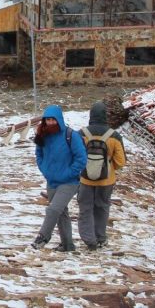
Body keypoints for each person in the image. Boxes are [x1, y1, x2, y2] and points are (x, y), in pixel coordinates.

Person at [32, 105, 87, 252]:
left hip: (70, 181)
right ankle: (68, 245)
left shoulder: (71, 135)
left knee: (53, 210)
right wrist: (45, 170)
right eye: (48, 120)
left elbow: (81, 158)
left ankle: (43, 237)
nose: (50, 123)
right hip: (51, 181)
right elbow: (39, 154)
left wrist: (69, 173)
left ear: (59, 119)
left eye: (53, 120)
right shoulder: (42, 135)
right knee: (61, 213)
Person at [77, 101, 126, 250]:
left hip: (85, 179)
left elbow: (76, 156)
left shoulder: (82, 134)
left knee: (85, 208)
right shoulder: (114, 136)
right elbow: (121, 162)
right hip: (106, 181)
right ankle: (100, 238)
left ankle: (88, 238)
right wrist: (109, 168)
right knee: (102, 207)